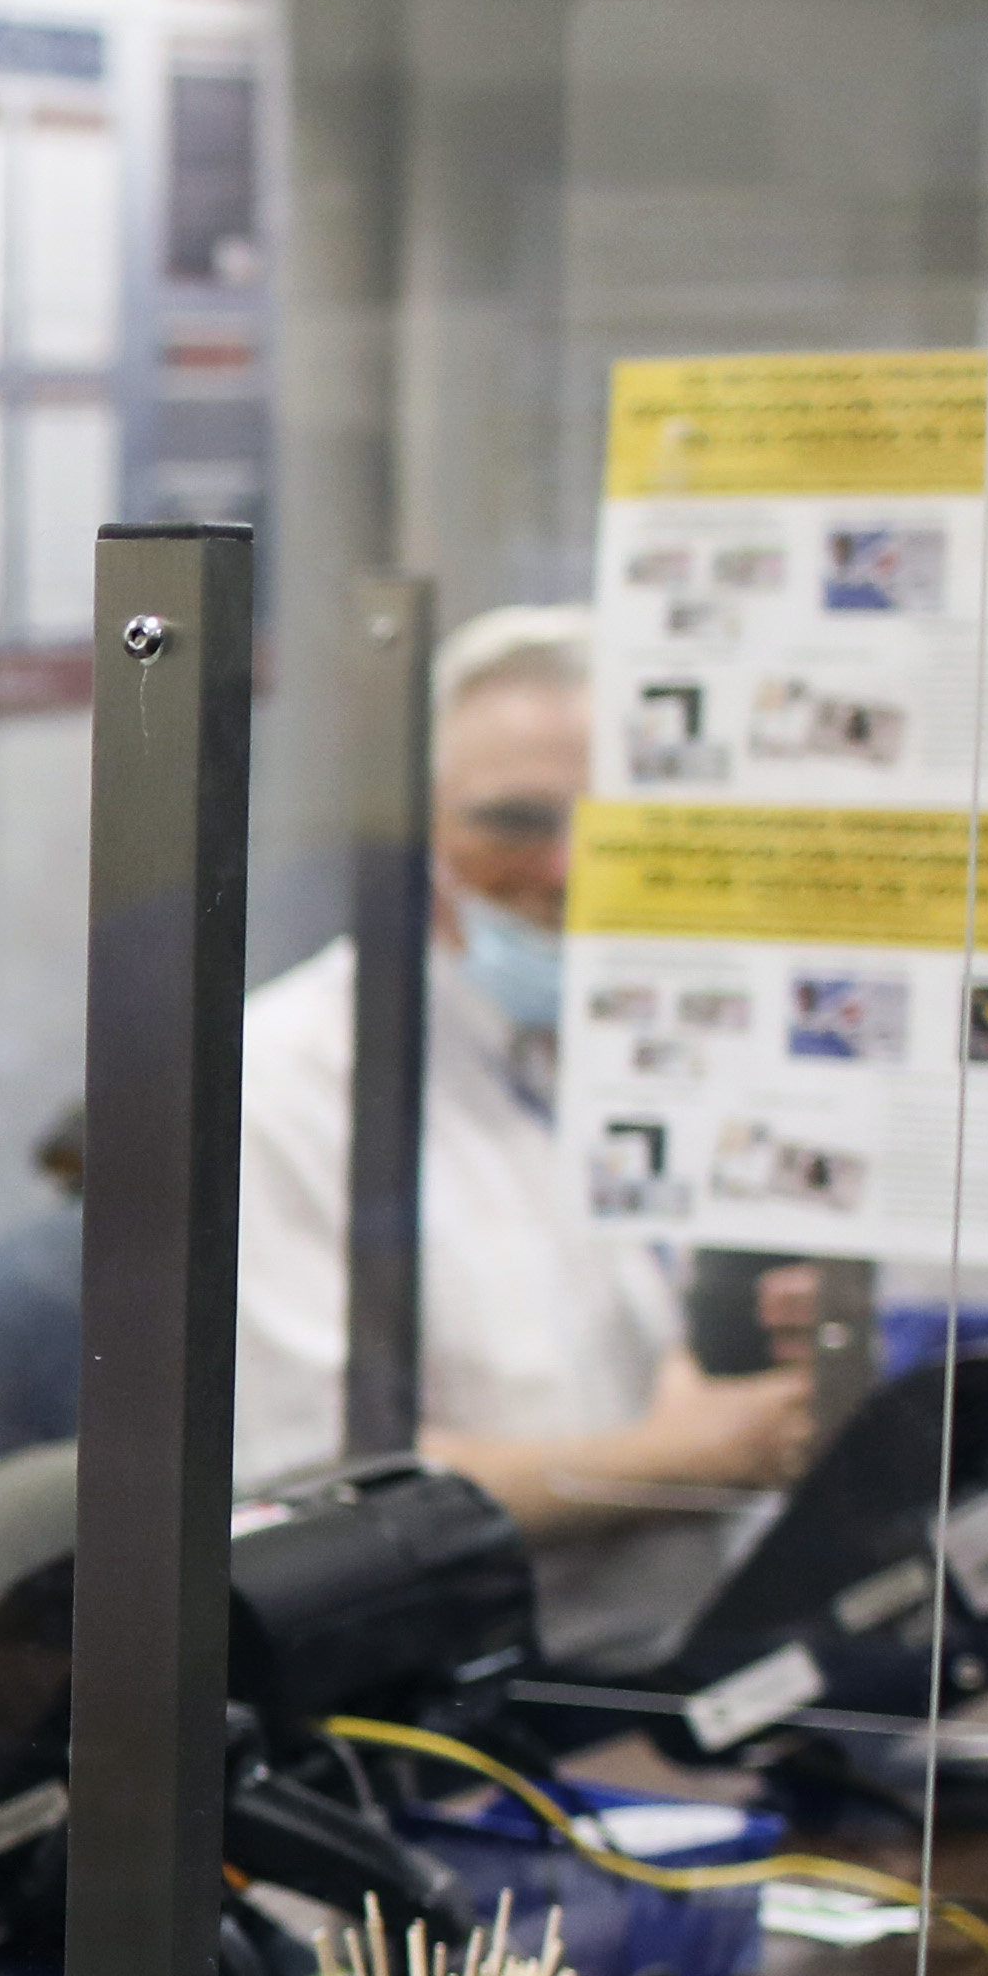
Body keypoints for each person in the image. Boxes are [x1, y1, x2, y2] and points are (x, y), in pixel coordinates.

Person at [235, 603, 805, 1674]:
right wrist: (677, 1462)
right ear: (410, 837)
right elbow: (317, 1491)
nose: (568, 867)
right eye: (513, 822)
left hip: (729, 1662)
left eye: (612, 820)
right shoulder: (286, 1088)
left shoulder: (677, 1037)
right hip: (481, 1711)